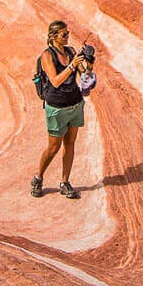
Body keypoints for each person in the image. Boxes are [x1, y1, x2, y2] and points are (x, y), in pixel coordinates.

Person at [30, 20, 87, 200]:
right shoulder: (47, 55)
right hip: (57, 107)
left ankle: (65, 182)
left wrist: (88, 62)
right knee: (54, 146)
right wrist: (71, 65)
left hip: (75, 103)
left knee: (70, 143)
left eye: (67, 33)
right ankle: (38, 177)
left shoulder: (71, 51)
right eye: (63, 34)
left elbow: (84, 75)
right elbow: (55, 81)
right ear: (53, 36)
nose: (67, 36)